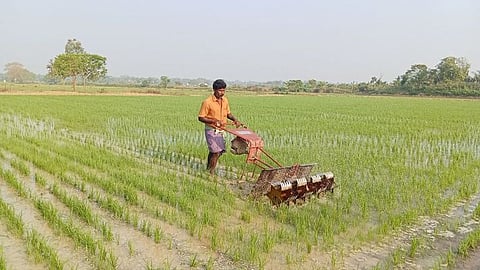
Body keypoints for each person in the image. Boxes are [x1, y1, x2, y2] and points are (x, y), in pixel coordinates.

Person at [198, 79, 241, 175]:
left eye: (224, 90)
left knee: (218, 151)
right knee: (216, 152)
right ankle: (211, 172)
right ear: (214, 90)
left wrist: (235, 120)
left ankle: (208, 168)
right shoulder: (207, 102)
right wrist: (214, 120)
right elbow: (201, 117)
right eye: (220, 90)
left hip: (221, 130)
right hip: (211, 130)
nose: (222, 93)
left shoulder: (225, 100)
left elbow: (228, 113)